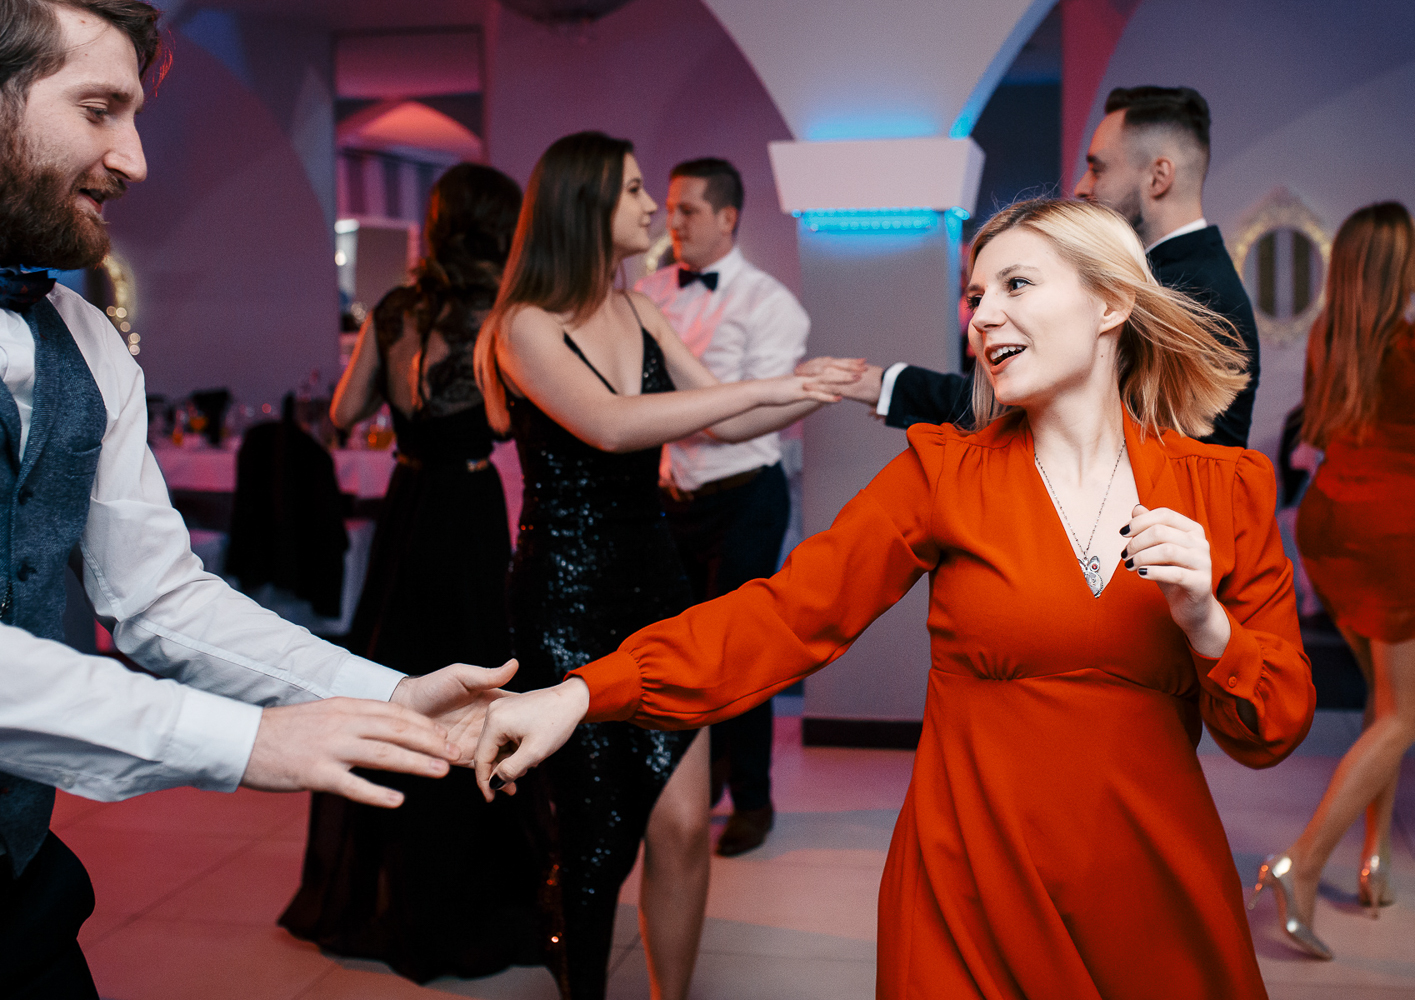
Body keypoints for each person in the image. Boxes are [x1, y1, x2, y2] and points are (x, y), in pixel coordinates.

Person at [475, 198, 1317, 999]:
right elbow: (786, 615)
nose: (982, 316)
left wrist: (1207, 623)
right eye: (976, 296)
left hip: (1149, 897)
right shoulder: (942, 473)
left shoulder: (1225, 490)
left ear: (1110, 303)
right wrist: (584, 692)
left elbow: (1275, 726)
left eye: (1016, 284)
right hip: (972, 892)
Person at [0, 4, 510, 996]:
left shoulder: (88, 342)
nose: (135, 159)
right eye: (99, 110)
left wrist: (383, 693)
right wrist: (247, 741)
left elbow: (159, 599)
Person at [473, 131, 857, 1000]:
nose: (654, 209)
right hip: (565, 592)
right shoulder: (523, 325)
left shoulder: (642, 312)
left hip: (657, 580)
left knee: (682, 824)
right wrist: (766, 386)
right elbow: (612, 425)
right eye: (636, 191)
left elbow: (719, 422)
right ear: (585, 205)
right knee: (592, 834)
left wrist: (809, 388)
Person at [278, 164, 542, 983]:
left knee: (393, 682)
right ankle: (468, 890)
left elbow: (344, 413)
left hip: (407, 508)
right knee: (475, 685)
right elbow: (503, 422)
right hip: (468, 512)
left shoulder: (395, 308)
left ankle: (383, 887)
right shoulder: (504, 313)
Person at [1275, 202, 1415, 958]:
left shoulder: (1329, 335)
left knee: (1383, 698)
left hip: (1330, 528)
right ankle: (1303, 863)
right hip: (1391, 543)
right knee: (1408, 717)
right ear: (1399, 263)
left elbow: (1354, 429)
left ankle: (1376, 863)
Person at [826, 85, 1260, 449]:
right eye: (977, 299)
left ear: (1159, 177)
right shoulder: (1178, 271)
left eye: (1098, 169)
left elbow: (1057, 406)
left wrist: (886, 384)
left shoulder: (1192, 291)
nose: (1081, 186)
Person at [638, 157, 807, 856]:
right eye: (670, 209)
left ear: (727, 217)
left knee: (740, 650)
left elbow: (749, 417)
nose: (671, 222)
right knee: (674, 649)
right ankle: (694, 785)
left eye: (688, 210)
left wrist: (663, 403)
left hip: (745, 496)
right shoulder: (648, 292)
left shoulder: (771, 304)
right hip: (669, 497)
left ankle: (754, 799)